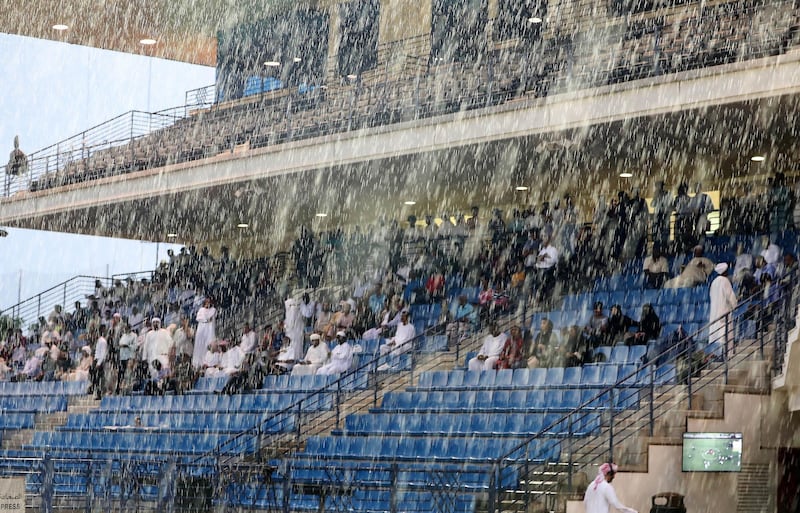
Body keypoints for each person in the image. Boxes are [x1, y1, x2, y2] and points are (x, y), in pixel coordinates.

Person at [709, 262, 738, 355]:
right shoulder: (725, 281)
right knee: (725, 335)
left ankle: (718, 354)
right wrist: (734, 305)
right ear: (725, 271)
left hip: (715, 313)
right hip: (724, 312)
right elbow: (730, 296)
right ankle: (727, 355)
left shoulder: (714, 282)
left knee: (717, 334)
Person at [193, 298, 216, 368]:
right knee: (200, 345)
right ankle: (199, 362)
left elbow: (212, 318)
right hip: (202, 329)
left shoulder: (213, 310)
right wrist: (205, 320)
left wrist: (207, 319)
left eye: (209, 302)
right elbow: (198, 318)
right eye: (206, 302)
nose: (208, 303)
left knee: (208, 344)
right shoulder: (201, 310)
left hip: (209, 329)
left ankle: (208, 361)